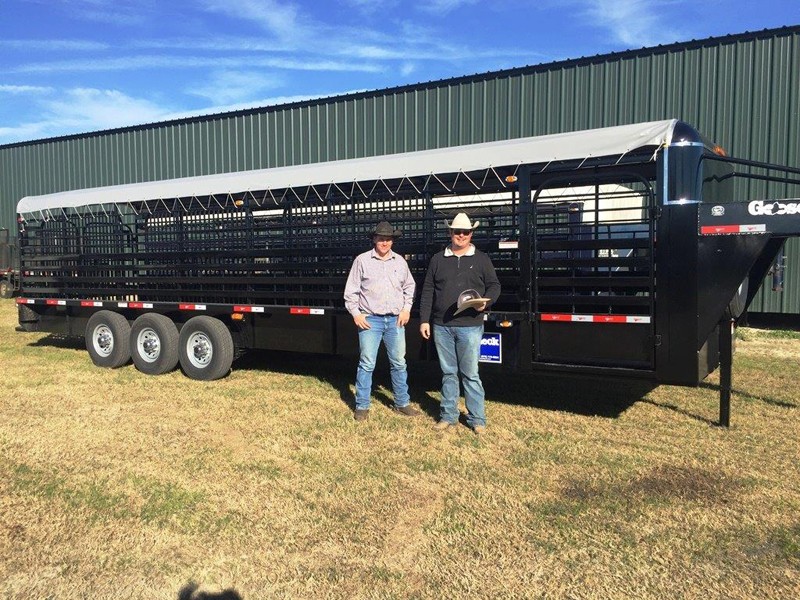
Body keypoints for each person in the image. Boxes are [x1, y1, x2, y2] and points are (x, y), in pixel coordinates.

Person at [419, 212, 501, 435]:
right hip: (442, 325)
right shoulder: (437, 259)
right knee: (448, 373)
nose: (461, 235)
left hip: (470, 325)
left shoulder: (481, 259)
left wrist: (486, 303)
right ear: (450, 232)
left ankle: (477, 419)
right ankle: (448, 416)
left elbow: (494, 286)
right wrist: (425, 320)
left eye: (465, 232)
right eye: (457, 232)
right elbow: (428, 291)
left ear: (471, 234)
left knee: (471, 374)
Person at [344, 221, 419, 421]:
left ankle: (402, 403)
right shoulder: (362, 261)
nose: (384, 242)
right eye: (381, 238)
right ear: (374, 240)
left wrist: (406, 309)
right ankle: (362, 406)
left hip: (395, 320)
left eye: (388, 239)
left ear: (392, 241)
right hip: (371, 320)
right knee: (367, 363)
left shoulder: (400, 262)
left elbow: (409, 287)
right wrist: (356, 314)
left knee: (399, 363)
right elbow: (351, 291)